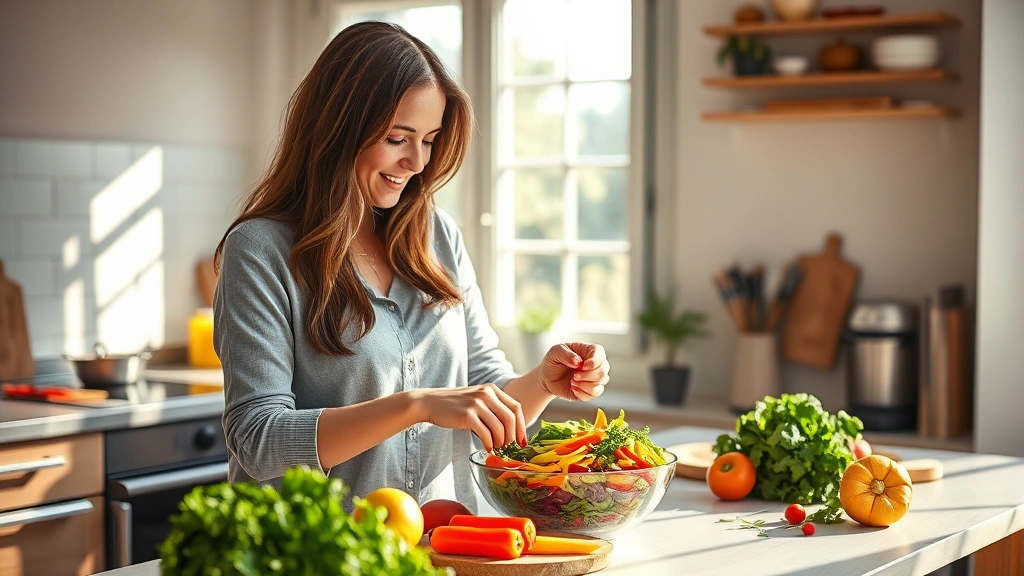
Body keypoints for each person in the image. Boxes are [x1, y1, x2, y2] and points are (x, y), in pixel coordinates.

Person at [213, 21, 610, 510]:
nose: (417, 162)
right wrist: (415, 404)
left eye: (429, 139)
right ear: (339, 130)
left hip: (440, 547)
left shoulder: (437, 237)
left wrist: (542, 384)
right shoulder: (260, 250)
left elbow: (486, 391)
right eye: (398, 138)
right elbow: (258, 439)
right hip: (323, 554)